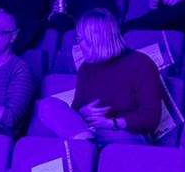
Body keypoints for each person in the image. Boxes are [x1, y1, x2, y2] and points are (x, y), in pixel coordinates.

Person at [38, 9, 162, 145]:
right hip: (90, 132)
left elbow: (151, 118)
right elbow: (75, 110)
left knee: (74, 140)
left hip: (128, 133)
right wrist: (83, 112)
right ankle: (87, 145)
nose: (79, 45)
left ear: (98, 39)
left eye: (82, 39)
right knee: (47, 105)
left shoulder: (141, 64)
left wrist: (111, 123)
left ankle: (85, 147)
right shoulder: (86, 68)